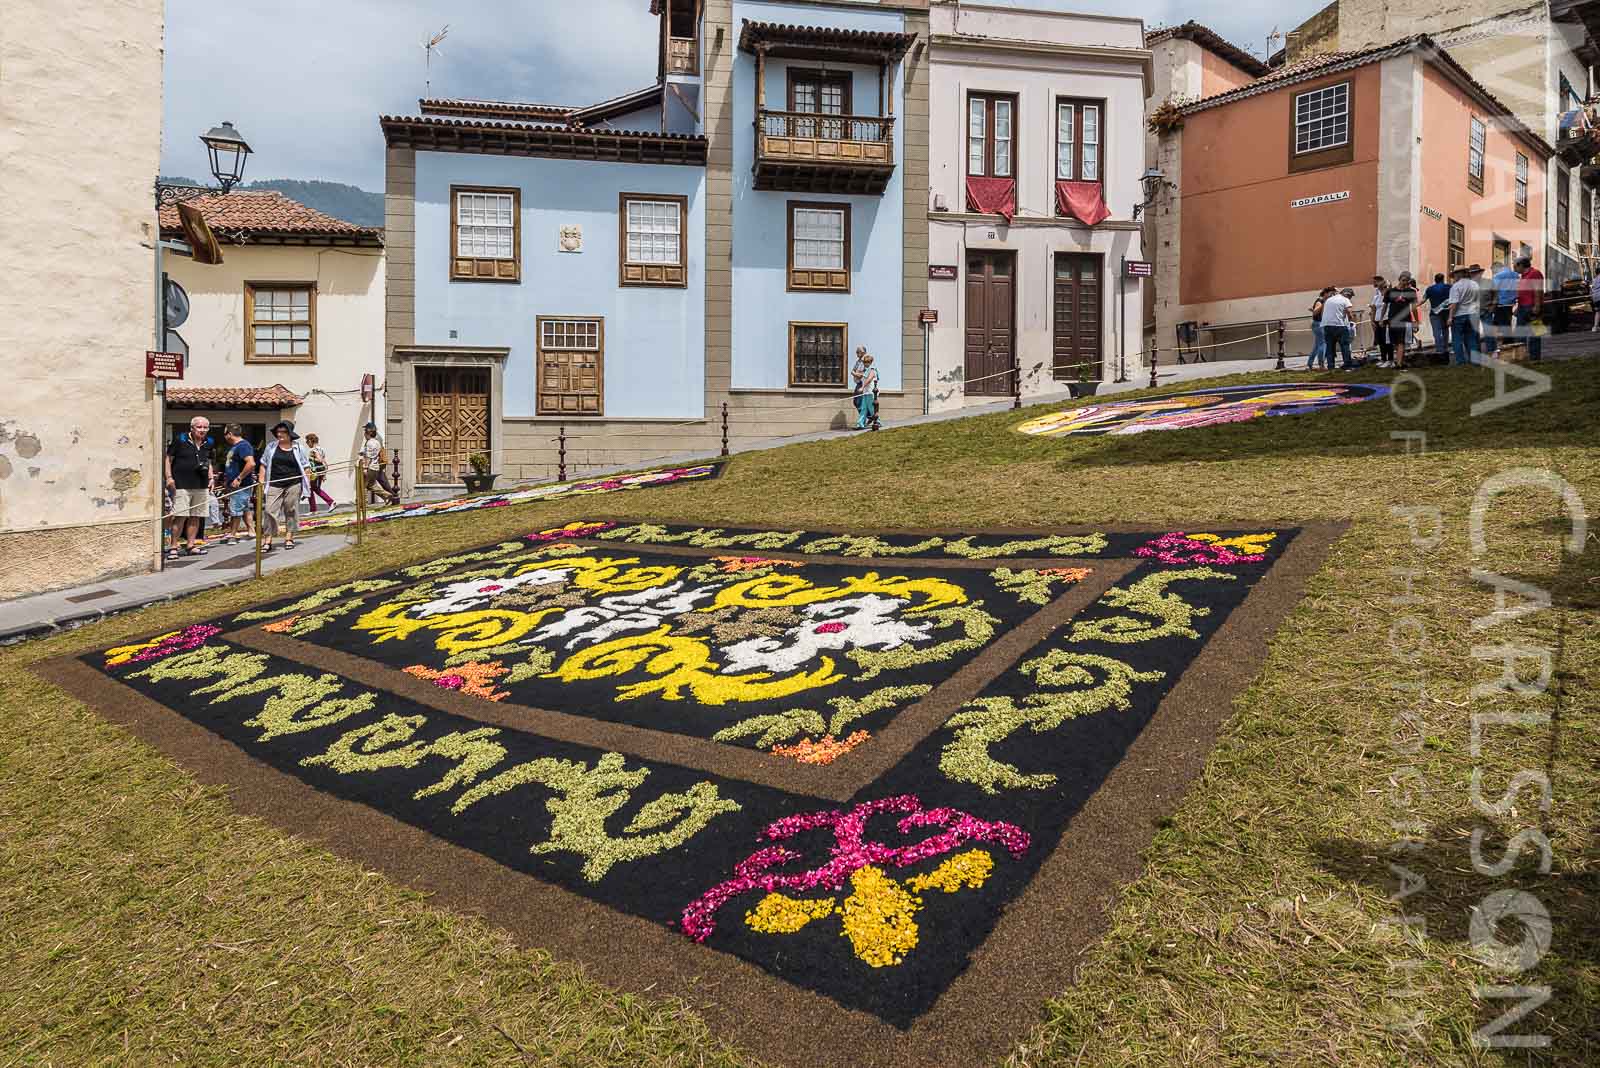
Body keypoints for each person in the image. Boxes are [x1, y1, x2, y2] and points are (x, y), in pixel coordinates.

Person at [164, 416, 212, 558]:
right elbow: (168, 458)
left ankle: (191, 545)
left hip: (201, 484)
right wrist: (169, 477)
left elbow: (208, 460)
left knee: (196, 516)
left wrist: (210, 477)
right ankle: (173, 546)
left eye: (205, 427)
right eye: (199, 427)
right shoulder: (181, 439)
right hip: (181, 484)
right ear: (192, 428)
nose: (202, 430)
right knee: (181, 515)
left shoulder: (209, 442)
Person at [259, 420, 310, 551]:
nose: (280, 434)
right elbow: (263, 464)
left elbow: (306, 466)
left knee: (290, 510)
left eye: (283, 432)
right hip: (274, 483)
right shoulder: (271, 447)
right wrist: (261, 480)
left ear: (289, 434)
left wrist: (306, 483)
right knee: (269, 510)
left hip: (293, 483)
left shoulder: (298, 447)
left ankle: (289, 537)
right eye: (278, 432)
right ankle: (268, 539)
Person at [219, 424, 256, 545]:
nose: (224, 437)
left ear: (229, 434)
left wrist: (239, 478)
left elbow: (251, 463)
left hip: (240, 484)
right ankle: (251, 531)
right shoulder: (235, 447)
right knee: (244, 507)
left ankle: (233, 534)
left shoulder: (243, 446)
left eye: (225, 434)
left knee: (235, 509)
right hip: (233, 483)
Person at [1381, 272, 1420, 369]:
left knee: (1401, 342)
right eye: (1403, 280)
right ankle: (1400, 361)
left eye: (1407, 280)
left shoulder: (1411, 292)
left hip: (1405, 320)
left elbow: (1414, 307)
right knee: (1394, 342)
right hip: (1392, 319)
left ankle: (1398, 364)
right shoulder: (1390, 291)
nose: (1405, 282)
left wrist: (1416, 320)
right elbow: (1385, 306)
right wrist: (1381, 318)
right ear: (1399, 279)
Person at [1446, 264, 1482, 366]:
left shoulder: (1456, 286)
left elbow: (1454, 303)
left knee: (1457, 339)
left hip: (1459, 315)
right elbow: (1477, 301)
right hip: (1472, 314)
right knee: (1471, 338)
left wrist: (1450, 317)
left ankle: (1460, 361)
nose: (1454, 276)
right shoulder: (1475, 284)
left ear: (1458, 274)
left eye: (1455, 274)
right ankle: (1474, 361)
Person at [360, 421, 402, 506]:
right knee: (371, 485)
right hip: (376, 465)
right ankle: (389, 496)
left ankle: (363, 504)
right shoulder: (375, 440)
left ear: (369, 431)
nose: (364, 433)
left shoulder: (372, 441)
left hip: (374, 465)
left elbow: (370, 456)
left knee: (367, 484)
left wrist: (365, 468)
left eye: (365, 431)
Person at [1512, 256, 1545, 362]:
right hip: (1522, 307)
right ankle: (1522, 357)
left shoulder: (1535, 273)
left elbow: (1538, 290)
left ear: (1521, 265)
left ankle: (1535, 358)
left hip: (1532, 306)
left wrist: (1537, 305)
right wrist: (1518, 306)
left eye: (1515, 266)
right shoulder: (1523, 276)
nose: (1514, 268)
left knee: (1535, 333)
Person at [1320, 287, 1356, 369]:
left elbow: (1322, 313)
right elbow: (1349, 313)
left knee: (1330, 347)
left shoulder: (1329, 300)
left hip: (1327, 325)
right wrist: (1351, 322)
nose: (1350, 298)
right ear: (1347, 294)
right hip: (1339, 325)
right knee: (1345, 346)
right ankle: (1347, 365)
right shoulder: (1345, 300)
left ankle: (1331, 366)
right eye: (1350, 296)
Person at [1489, 259, 1519, 354]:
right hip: (1512, 303)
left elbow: (1495, 291)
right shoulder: (1515, 274)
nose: (1493, 273)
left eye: (1493, 271)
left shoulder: (1498, 276)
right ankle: (1509, 344)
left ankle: (1506, 347)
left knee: (1502, 326)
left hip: (1501, 304)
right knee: (1507, 324)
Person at [1423, 272, 1452, 361]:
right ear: (1443, 279)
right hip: (1446, 313)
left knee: (1436, 332)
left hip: (1434, 313)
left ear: (1435, 280)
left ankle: (1439, 350)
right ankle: (1445, 348)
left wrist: (1416, 305)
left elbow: (1424, 299)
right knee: (1445, 330)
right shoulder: (1449, 287)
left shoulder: (1430, 289)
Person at [305, 432, 336, 512]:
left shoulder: (313, 450)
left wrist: (311, 459)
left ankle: (330, 502)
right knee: (312, 489)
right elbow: (325, 462)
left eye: (307, 442)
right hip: (320, 472)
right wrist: (324, 474)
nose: (307, 444)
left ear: (311, 441)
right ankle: (313, 509)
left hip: (316, 473)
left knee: (312, 489)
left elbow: (320, 460)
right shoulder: (321, 449)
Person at [1307, 287, 1333, 371]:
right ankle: (1321, 365)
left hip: (1318, 324)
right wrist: (1323, 305)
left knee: (1317, 345)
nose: (1331, 295)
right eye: (1330, 293)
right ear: (1325, 293)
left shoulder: (1322, 301)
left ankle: (1310, 364)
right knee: (1323, 344)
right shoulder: (1320, 301)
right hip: (1319, 324)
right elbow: (1315, 312)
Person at [856, 353, 880, 430]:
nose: (865, 364)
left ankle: (878, 422)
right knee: (863, 408)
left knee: (871, 409)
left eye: (867, 362)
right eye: (864, 362)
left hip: (870, 392)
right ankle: (860, 424)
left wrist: (862, 387)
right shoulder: (866, 370)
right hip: (865, 392)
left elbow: (869, 380)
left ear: (870, 362)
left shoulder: (872, 370)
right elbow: (862, 377)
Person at [1369, 276, 1389, 364]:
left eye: (1384, 288)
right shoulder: (1376, 297)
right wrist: (1372, 321)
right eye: (1382, 289)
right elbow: (1373, 309)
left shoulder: (1389, 297)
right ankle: (1383, 358)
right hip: (1377, 321)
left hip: (1386, 320)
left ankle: (1390, 359)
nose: (1383, 290)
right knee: (1380, 341)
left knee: (1387, 341)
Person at [849, 347, 868, 424]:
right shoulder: (858, 361)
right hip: (858, 383)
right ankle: (871, 417)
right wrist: (855, 373)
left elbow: (862, 375)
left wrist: (855, 374)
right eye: (856, 352)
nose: (856, 353)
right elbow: (853, 370)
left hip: (862, 383)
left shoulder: (865, 361)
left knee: (859, 402)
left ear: (863, 352)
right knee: (856, 402)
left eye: (858, 352)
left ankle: (863, 420)